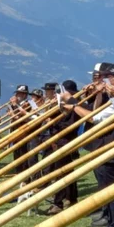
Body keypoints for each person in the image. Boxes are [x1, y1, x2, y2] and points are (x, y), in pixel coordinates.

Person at [67, 63, 114, 227]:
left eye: (108, 78)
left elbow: (95, 117)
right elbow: (97, 112)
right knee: (106, 189)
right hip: (107, 147)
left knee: (112, 191)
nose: (105, 81)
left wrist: (73, 104)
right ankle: (111, 222)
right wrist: (97, 94)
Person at [44, 80, 82, 215]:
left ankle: (58, 203)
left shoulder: (75, 104)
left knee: (61, 173)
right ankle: (71, 199)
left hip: (66, 140)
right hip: (59, 140)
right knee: (67, 171)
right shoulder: (63, 103)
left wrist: (55, 124)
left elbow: (69, 125)